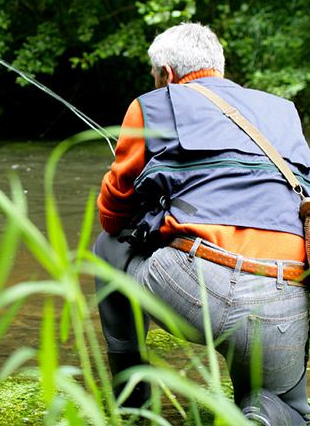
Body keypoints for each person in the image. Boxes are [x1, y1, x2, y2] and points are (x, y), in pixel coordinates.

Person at [94, 22, 310, 425]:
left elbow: (111, 215)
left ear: (167, 75)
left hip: (195, 287)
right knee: (285, 408)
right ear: (219, 67)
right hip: (287, 296)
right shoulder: (284, 112)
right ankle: (259, 414)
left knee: (108, 248)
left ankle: (134, 406)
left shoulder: (154, 104)